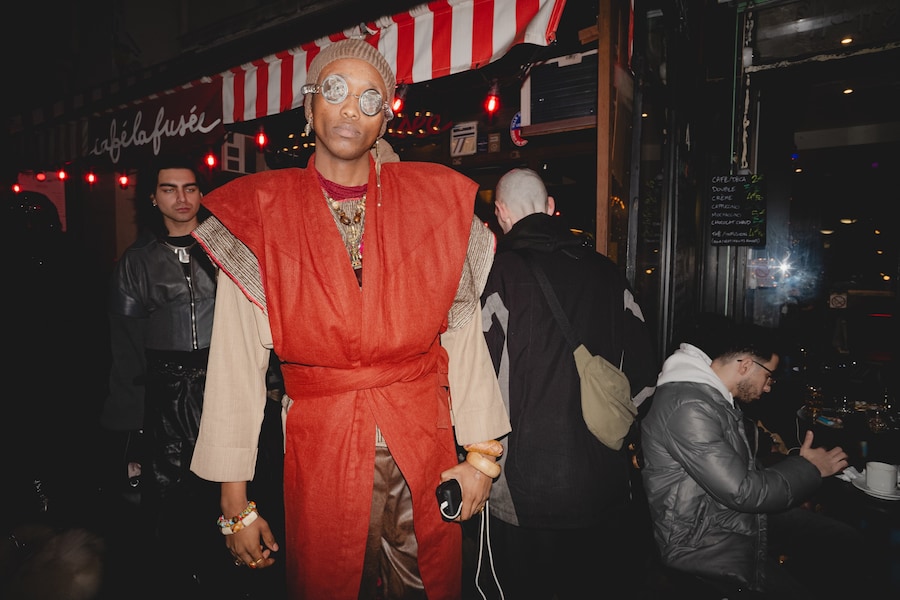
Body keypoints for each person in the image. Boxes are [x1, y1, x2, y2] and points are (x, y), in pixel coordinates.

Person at [189, 37, 511, 600]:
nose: (349, 109)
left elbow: (463, 334)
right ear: (311, 106)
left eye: (370, 99)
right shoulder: (263, 213)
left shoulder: (432, 204)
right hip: (323, 445)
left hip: (423, 441)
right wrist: (233, 503)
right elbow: (236, 365)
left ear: (385, 119)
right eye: (335, 92)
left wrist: (482, 457)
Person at [478, 168, 659, 599]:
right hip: (605, 487)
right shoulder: (608, 274)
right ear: (552, 208)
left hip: (524, 493)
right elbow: (645, 377)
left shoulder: (496, 277)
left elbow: (474, 383)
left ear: (501, 213)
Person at [640, 317, 869, 598]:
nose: (769, 386)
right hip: (701, 542)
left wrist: (800, 483)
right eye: (769, 376)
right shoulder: (688, 407)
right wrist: (810, 469)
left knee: (846, 541)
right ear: (746, 365)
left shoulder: (712, 398)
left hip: (727, 518)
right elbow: (744, 491)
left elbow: (742, 474)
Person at [98, 155, 226, 597]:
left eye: (190, 187)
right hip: (163, 396)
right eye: (169, 189)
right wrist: (130, 429)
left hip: (222, 389)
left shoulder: (228, 253)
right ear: (152, 198)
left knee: (228, 492)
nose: (182, 197)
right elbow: (126, 353)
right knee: (170, 504)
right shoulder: (135, 263)